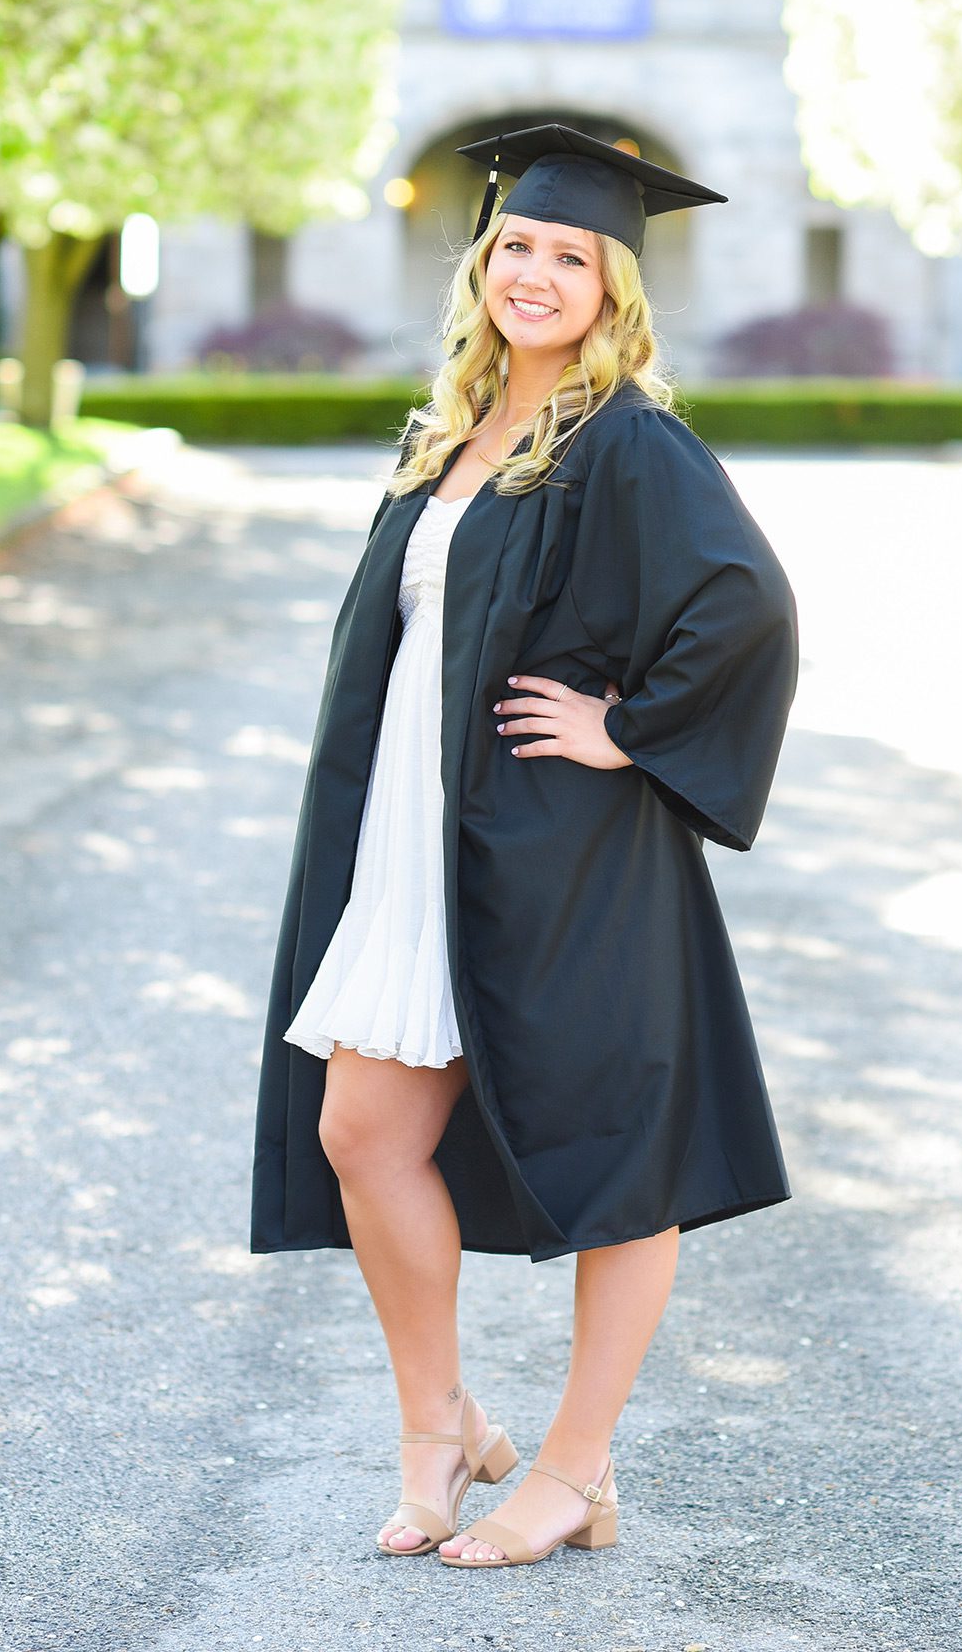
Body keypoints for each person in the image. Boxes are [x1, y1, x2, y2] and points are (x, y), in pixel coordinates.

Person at [251, 122, 800, 1567]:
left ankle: (573, 1469)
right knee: (362, 1133)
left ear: (613, 286)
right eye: (517, 248)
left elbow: (749, 604)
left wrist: (632, 731)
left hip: (568, 854)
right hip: (419, 849)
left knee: (623, 1151)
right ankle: (442, 1434)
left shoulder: (627, 439)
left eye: (571, 254)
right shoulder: (453, 433)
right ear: (482, 263)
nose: (537, 273)